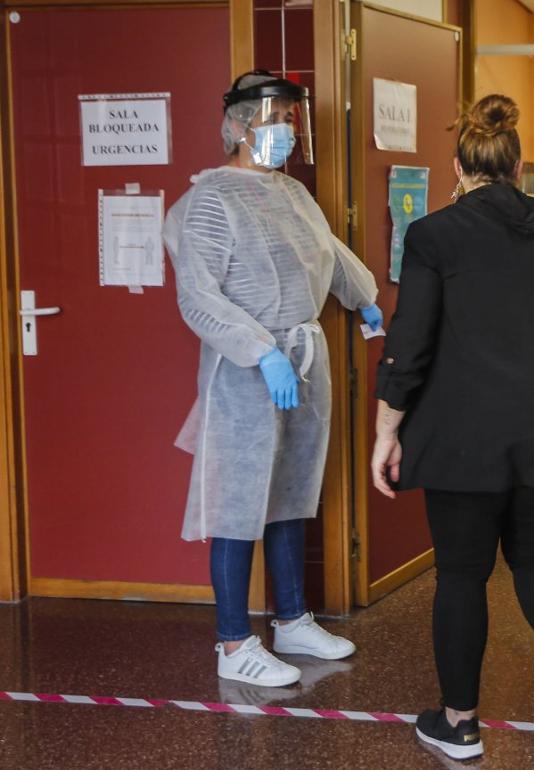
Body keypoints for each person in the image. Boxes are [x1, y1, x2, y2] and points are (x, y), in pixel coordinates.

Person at [369, 94, 534, 760]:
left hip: (464, 438)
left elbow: (409, 343)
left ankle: (461, 725)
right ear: (518, 165)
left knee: (463, 573)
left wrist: (388, 430)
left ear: (458, 165)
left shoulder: (435, 235)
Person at [164, 70, 382, 687]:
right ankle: (234, 643)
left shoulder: (291, 193)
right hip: (246, 371)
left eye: (290, 118)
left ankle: (291, 619)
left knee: (292, 491)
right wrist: (261, 352)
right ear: (236, 126)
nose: (284, 129)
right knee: (237, 504)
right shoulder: (211, 199)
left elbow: (328, 249)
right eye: (272, 118)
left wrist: (361, 296)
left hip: (305, 357)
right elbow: (199, 297)